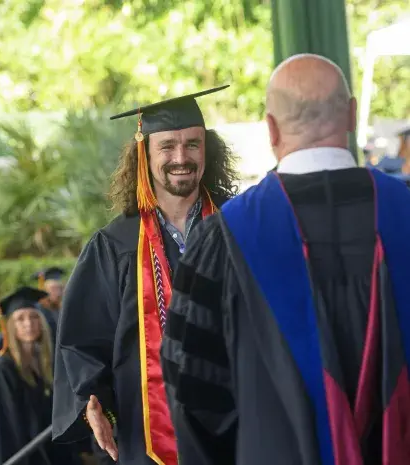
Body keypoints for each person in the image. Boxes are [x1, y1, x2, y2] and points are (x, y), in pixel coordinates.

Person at [161, 54, 410, 465]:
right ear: (350, 114)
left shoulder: (222, 239)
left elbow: (193, 395)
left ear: (271, 128)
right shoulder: (404, 212)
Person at [52, 85, 238, 465]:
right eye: (167, 146)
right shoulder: (114, 245)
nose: (181, 157)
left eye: (192, 144)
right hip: (150, 438)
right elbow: (83, 342)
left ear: (207, 149)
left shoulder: (241, 227)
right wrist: (91, 402)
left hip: (240, 426)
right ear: (145, 153)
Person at [0, 287, 82, 465]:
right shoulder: (2, 370)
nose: (29, 324)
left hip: (54, 454)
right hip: (26, 458)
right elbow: (2, 430)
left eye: (34, 317)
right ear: (11, 326)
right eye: (20, 319)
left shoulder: (46, 364)